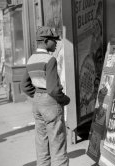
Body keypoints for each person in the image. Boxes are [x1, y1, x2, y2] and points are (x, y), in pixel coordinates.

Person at [21, 26, 70, 166]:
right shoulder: (50, 60)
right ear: (46, 41)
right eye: (54, 41)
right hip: (50, 103)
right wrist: (65, 99)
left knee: (42, 145)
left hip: (37, 102)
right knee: (58, 144)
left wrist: (37, 95)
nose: (56, 44)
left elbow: (24, 85)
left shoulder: (31, 59)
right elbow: (53, 90)